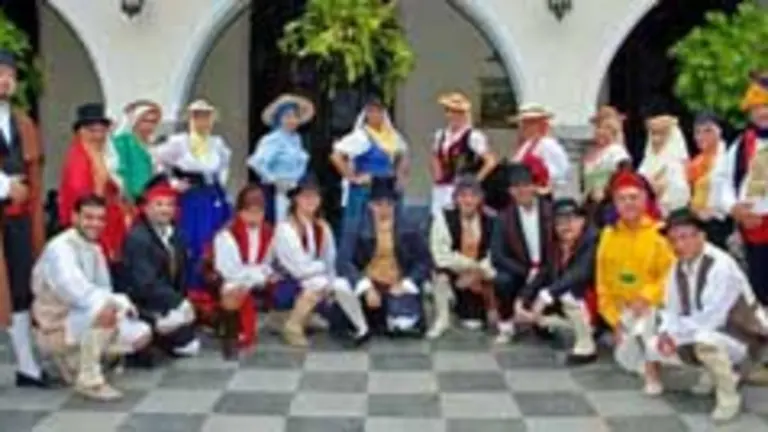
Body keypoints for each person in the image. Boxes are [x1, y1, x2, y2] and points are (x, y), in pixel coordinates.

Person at [647, 208, 768, 422]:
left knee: (705, 341)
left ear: (701, 236)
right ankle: (713, 373)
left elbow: (713, 320)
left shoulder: (721, 265)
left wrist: (677, 336)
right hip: (703, 331)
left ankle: (729, 395)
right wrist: (667, 333)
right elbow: (671, 308)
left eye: (684, 237)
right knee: (653, 343)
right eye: (673, 240)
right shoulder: (677, 266)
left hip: (743, 337)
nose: (678, 246)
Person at [31, 195, 152, 400]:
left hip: (80, 316)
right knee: (105, 310)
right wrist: (115, 302)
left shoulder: (94, 248)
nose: (95, 224)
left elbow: (103, 287)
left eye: (100, 219)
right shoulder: (60, 248)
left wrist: (121, 304)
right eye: (88, 217)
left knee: (142, 333)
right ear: (74, 217)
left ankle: (78, 361)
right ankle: (89, 380)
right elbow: (76, 292)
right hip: (55, 323)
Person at [596, 169, 675, 393]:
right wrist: (615, 320)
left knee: (647, 326)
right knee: (626, 361)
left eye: (634, 197)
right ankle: (653, 357)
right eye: (622, 198)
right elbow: (602, 282)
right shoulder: (608, 234)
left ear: (645, 199)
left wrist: (646, 298)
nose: (628, 203)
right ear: (614, 203)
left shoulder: (660, 234)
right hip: (623, 311)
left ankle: (653, 372)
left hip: (653, 308)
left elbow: (670, 276)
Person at [0, 50, 51, 387]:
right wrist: (4, 185)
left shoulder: (21, 121)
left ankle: (26, 366)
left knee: (19, 290)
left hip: (17, 220)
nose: (4, 80)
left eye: (9, 75)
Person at [272, 174, 369, 347]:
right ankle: (292, 325)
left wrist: (330, 280)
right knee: (317, 284)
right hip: (285, 282)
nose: (311, 200)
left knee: (341, 284)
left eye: (315, 196)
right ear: (296, 199)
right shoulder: (286, 229)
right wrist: (323, 272)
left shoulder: (322, 226)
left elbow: (330, 259)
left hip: (314, 277)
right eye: (305, 196)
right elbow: (298, 269)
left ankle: (361, 328)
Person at [152, 99, 232, 292]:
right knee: (191, 239)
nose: (202, 122)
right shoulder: (180, 142)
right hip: (190, 198)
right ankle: (189, 286)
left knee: (213, 238)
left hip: (211, 195)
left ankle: (210, 284)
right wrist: (172, 183)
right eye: (198, 117)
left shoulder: (216, 143)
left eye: (206, 117)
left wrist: (219, 184)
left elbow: (223, 166)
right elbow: (157, 160)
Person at [120, 176, 200, 357]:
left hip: (168, 302)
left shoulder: (177, 235)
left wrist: (181, 303)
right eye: (159, 204)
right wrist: (177, 302)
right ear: (146, 208)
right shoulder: (138, 238)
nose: (165, 210)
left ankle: (163, 334)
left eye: (169, 205)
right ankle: (152, 331)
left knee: (189, 347)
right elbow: (144, 283)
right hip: (143, 303)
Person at [340, 177, 430, 337]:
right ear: (369, 205)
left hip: (396, 283)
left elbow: (423, 260)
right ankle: (362, 324)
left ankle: (393, 315)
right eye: (378, 204)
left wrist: (406, 283)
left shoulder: (409, 227)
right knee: (340, 287)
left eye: (389, 204)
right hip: (369, 282)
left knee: (403, 326)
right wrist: (365, 285)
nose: (384, 209)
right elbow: (343, 261)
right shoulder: (355, 226)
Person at [516, 198, 599, 365]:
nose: (565, 226)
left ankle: (586, 344)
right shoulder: (555, 245)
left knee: (567, 292)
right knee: (539, 289)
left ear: (582, 220)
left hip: (595, 299)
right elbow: (543, 273)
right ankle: (547, 324)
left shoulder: (593, 240)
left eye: (571, 220)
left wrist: (545, 296)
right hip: (565, 299)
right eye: (560, 222)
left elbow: (580, 273)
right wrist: (522, 300)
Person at [715, 71, 768, 306]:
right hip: (753, 226)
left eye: (766, 106)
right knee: (760, 286)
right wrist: (733, 207)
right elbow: (722, 180)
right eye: (756, 108)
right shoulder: (740, 144)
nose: (762, 113)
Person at [331, 97, 408, 256]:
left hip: (387, 187)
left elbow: (403, 153)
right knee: (358, 229)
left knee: (389, 228)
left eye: (378, 111)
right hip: (365, 189)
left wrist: (400, 176)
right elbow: (336, 155)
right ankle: (350, 263)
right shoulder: (361, 136)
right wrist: (352, 177)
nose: (375, 114)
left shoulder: (391, 136)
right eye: (371, 111)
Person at [209, 185, 277, 358]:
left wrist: (264, 274)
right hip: (234, 278)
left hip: (260, 276)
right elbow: (228, 269)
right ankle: (232, 335)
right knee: (233, 289)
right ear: (240, 212)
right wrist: (254, 276)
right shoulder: (227, 234)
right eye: (250, 212)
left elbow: (270, 261)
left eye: (259, 212)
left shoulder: (269, 231)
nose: (255, 217)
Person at [428, 175, 497, 339]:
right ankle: (442, 319)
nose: (468, 201)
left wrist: (478, 272)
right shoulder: (443, 217)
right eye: (463, 196)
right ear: (456, 198)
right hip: (455, 272)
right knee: (440, 276)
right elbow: (441, 254)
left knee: (474, 322)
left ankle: (478, 308)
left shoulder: (491, 219)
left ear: (480, 199)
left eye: (473, 196)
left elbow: (496, 252)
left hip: (480, 275)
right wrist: (468, 266)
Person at [491, 164, 554, 344]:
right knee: (502, 280)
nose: (522, 190)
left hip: (547, 268)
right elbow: (497, 254)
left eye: (526, 185)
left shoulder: (550, 210)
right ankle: (506, 324)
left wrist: (541, 271)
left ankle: (544, 321)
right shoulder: (504, 217)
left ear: (534, 187)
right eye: (516, 187)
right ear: (510, 191)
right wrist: (525, 271)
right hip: (520, 269)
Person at [59, 103, 127, 263]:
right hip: (90, 225)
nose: (98, 136)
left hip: (106, 221)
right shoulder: (78, 157)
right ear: (81, 132)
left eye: (102, 131)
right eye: (92, 131)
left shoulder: (98, 154)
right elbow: (80, 195)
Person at [248, 93, 314, 223]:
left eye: (295, 116)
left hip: (296, 191)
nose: (292, 120)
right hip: (277, 193)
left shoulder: (296, 139)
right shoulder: (273, 139)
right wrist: (274, 180)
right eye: (288, 116)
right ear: (279, 118)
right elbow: (256, 162)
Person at [430, 92, 498, 215]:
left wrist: (475, 180)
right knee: (439, 221)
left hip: (461, 188)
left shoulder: (472, 136)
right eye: (449, 111)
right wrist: (437, 173)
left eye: (456, 112)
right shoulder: (441, 135)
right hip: (441, 187)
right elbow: (435, 155)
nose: (452, 115)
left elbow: (490, 161)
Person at [687, 111, 732, 249]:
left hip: (723, 224)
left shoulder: (729, 158)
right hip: (699, 224)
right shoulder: (695, 163)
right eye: (697, 132)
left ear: (720, 131)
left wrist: (713, 211)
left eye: (708, 130)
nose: (701, 136)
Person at [510, 103, 571, 198]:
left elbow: (562, 173)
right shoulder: (526, 145)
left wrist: (543, 188)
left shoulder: (548, 144)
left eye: (529, 123)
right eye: (524, 123)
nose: (524, 127)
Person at [582, 106, 631, 223]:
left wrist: (606, 191)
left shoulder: (616, 151)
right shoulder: (592, 152)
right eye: (598, 127)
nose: (600, 132)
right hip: (591, 202)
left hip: (607, 203)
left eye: (606, 128)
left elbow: (624, 175)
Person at [638, 112, 690, 216]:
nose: (656, 138)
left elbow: (681, 191)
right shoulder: (647, 160)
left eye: (661, 133)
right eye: (653, 133)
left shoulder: (677, 161)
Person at [111, 99, 163, 202]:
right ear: (136, 120)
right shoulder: (123, 142)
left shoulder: (154, 145)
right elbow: (119, 171)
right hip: (130, 198)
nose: (149, 125)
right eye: (145, 121)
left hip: (150, 198)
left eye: (153, 121)